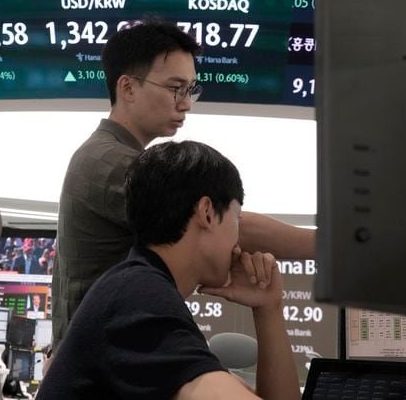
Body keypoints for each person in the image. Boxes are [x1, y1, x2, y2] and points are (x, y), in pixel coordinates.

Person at [51, 19, 316, 350]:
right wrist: (329, 247)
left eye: (190, 89)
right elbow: (214, 223)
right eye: (175, 88)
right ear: (128, 88)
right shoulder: (108, 162)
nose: (186, 103)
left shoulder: (106, 155)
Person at [37, 141, 300, 400]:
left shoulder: (138, 287)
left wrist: (268, 307)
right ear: (207, 212)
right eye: (236, 219)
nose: (238, 240)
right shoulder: (138, 298)